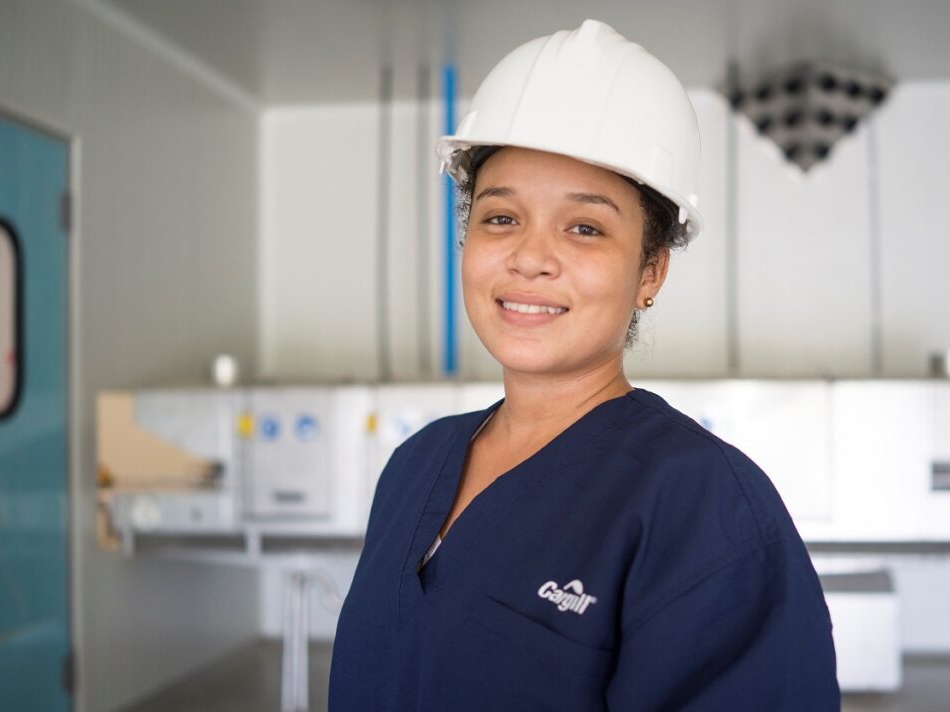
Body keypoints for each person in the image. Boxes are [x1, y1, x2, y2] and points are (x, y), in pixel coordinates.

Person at [329, 19, 839, 710]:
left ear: (650, 272)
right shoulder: (413, 467)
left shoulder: (706, 508)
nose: (530, 258)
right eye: (501, 218)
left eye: (585, 227)